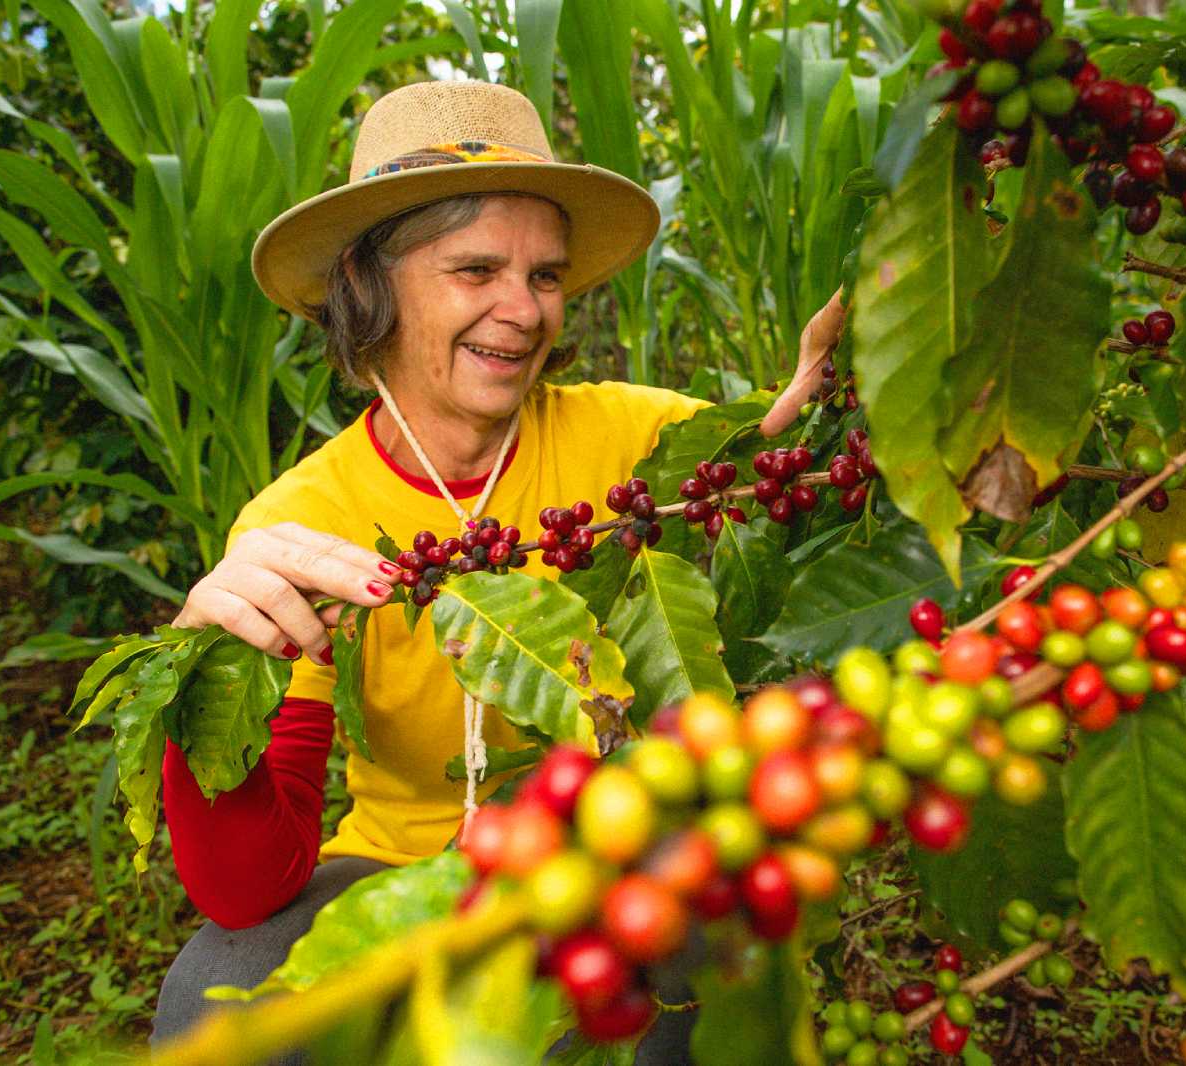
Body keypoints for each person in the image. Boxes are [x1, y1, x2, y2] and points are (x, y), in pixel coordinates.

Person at [149, 80, 845, 1060]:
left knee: (702, 951)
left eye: (547, 276)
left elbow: (781, 468)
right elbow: (243, 890)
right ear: (371, 284)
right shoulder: (303, 523)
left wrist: (840, 398)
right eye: (475, 269)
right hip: (403, 866)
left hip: (607, 848)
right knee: (211, 1003)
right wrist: (202, 689)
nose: (522, 310)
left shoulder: (637, 438)